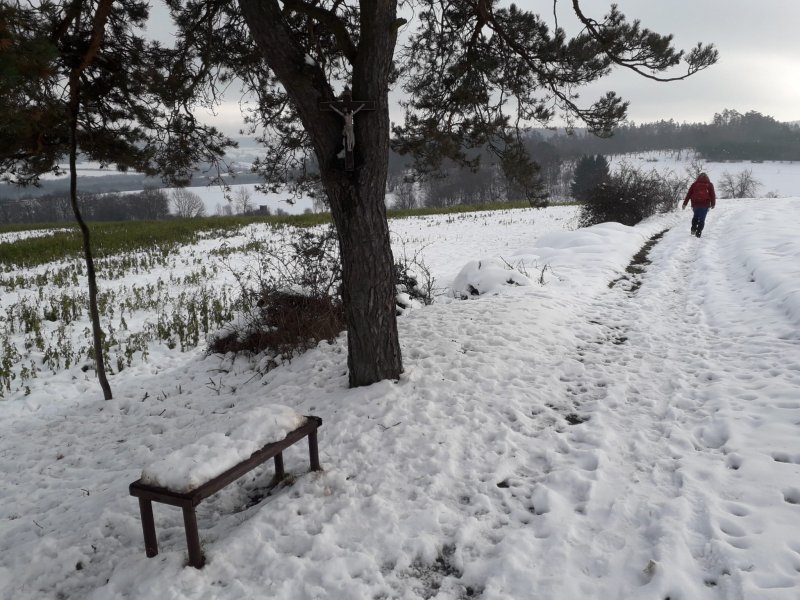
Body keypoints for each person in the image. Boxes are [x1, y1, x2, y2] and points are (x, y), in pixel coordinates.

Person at [682, 172, 716, 237]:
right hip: (705, 205)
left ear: (698, 177)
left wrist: (684, 204)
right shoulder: (710, 184)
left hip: (695, 204)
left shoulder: (694, 184)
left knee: (695, 216)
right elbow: (712, 195)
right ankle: (699, 232)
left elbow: (689, 194)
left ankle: (693, 229)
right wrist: (713, 204)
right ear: (707, 177)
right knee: (702, 219)